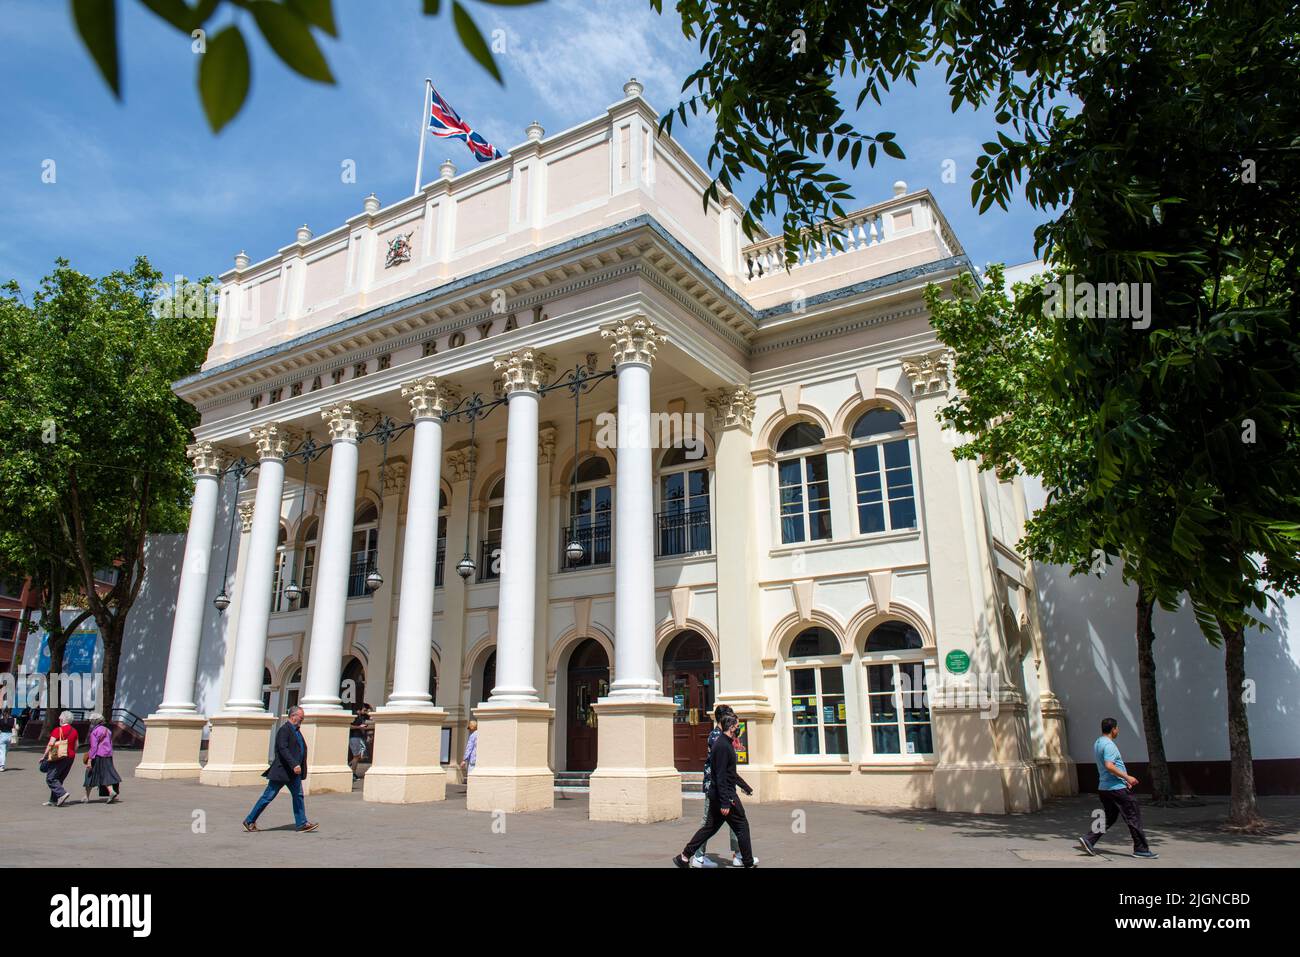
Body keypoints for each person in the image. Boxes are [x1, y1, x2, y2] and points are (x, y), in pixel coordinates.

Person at [673, 714, 756, 868]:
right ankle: (748, 863)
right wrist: (725, 802)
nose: (738, 729)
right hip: (725, 796)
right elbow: (720, 776)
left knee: (709, 828)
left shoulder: (725, 743)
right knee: (742, 826)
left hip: (718, 795)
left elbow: (730, 773)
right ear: (731, 727)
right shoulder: (723, 746)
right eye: (737, 726)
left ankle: (684, 857)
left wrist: (745, 787)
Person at [1078, 717, 1157, 859]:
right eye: (1117, 728)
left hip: (1104, 788)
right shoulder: (1109, 745)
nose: (1118, 730)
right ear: (1113, 729)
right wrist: (1127, 778)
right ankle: (1141, 849)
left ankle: (1089, 839)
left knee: (1110, 817)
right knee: (1133, 816)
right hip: (1117, 788)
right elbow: (1109, 765)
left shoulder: (1098, 743)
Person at [243, 706, 318, 832]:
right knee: (268, 796)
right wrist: (294, 764)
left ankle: (302, 823)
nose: (302, 720)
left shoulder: (296, 730)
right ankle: (250, 820)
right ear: (293, 716)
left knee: (298, 795)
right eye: (301, 717)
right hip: (282, 771)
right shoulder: (284, 730)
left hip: (293, 774)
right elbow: (283, 749)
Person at [82, 713, 122, 803]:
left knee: (90, 774)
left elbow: (94, 747)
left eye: (91, 721)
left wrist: (90, 759)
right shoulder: (108, 730)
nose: (90, 722)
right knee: (106, 774)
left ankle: (86, 796)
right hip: (108, 755)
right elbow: (110, 744)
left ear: (94, 721)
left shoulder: (94, 732)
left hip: (98, 756)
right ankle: (111, 791)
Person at [42, 710, 79, 807]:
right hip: (70, 757)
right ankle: (53, 800)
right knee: (59, 778)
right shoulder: (74, 731)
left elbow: (50, 744)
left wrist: (44, 756)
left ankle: (62, 794)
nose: (59, 718)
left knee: (50, 778)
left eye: (60, 717)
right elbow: (76, 746)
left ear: (63, 719)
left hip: (58, 757)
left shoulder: (57, 730)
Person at [348, 703, 372, 780]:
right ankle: (352, 774)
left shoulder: (363, 715)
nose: (365, 712)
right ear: (359, 709)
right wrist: (359, 727)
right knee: (357, 756)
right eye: (364, 710)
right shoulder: (354, 716)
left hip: (360, 737)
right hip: (354, 737)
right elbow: (349, 726)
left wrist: (370, 708)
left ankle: (349, 768)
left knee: (361, 756)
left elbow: (373, 716)